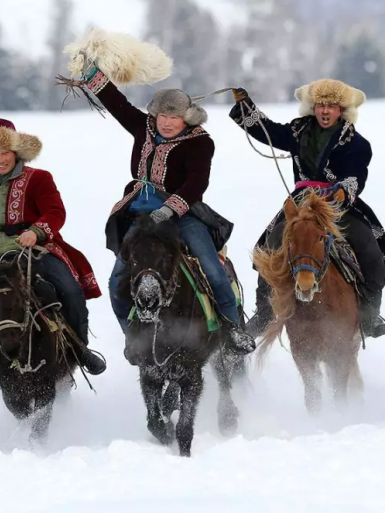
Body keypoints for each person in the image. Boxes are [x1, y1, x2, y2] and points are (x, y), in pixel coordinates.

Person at [74, 42, 256, 354]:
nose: (167, 123)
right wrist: (91, 72)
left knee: (212, 269)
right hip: (142, 219)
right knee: (117, 280)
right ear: (154, 115)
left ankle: (233, 328)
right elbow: (116, 102)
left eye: (175, 118)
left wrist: (169, 211)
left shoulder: (200, 143)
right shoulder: (142, 128)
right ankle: (134, 339)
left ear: (187, 118)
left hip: (184, 218)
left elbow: (196, 184)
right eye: (162, 116)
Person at [0, 119, 107, 382]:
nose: (0, 159)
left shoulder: (39, 178)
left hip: (38, 249)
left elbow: (55, 212)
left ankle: (80, 349)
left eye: (5, 152)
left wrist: (37, 231)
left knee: (69, 290)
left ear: (16, 153)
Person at [229, 79, 385, 339]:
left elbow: (356, 176)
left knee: (371, 251)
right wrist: (246, 106)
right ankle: (264, 312)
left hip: (338, 206)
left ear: (342, 110)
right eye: (320, 105)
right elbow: (267, 131)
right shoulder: (297, 131)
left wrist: (343, 190)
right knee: (268, 250)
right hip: (301, 203)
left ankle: (370, 315)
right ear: (312, 108)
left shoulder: (357, 143)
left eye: (331, 106)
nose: (325, 111)